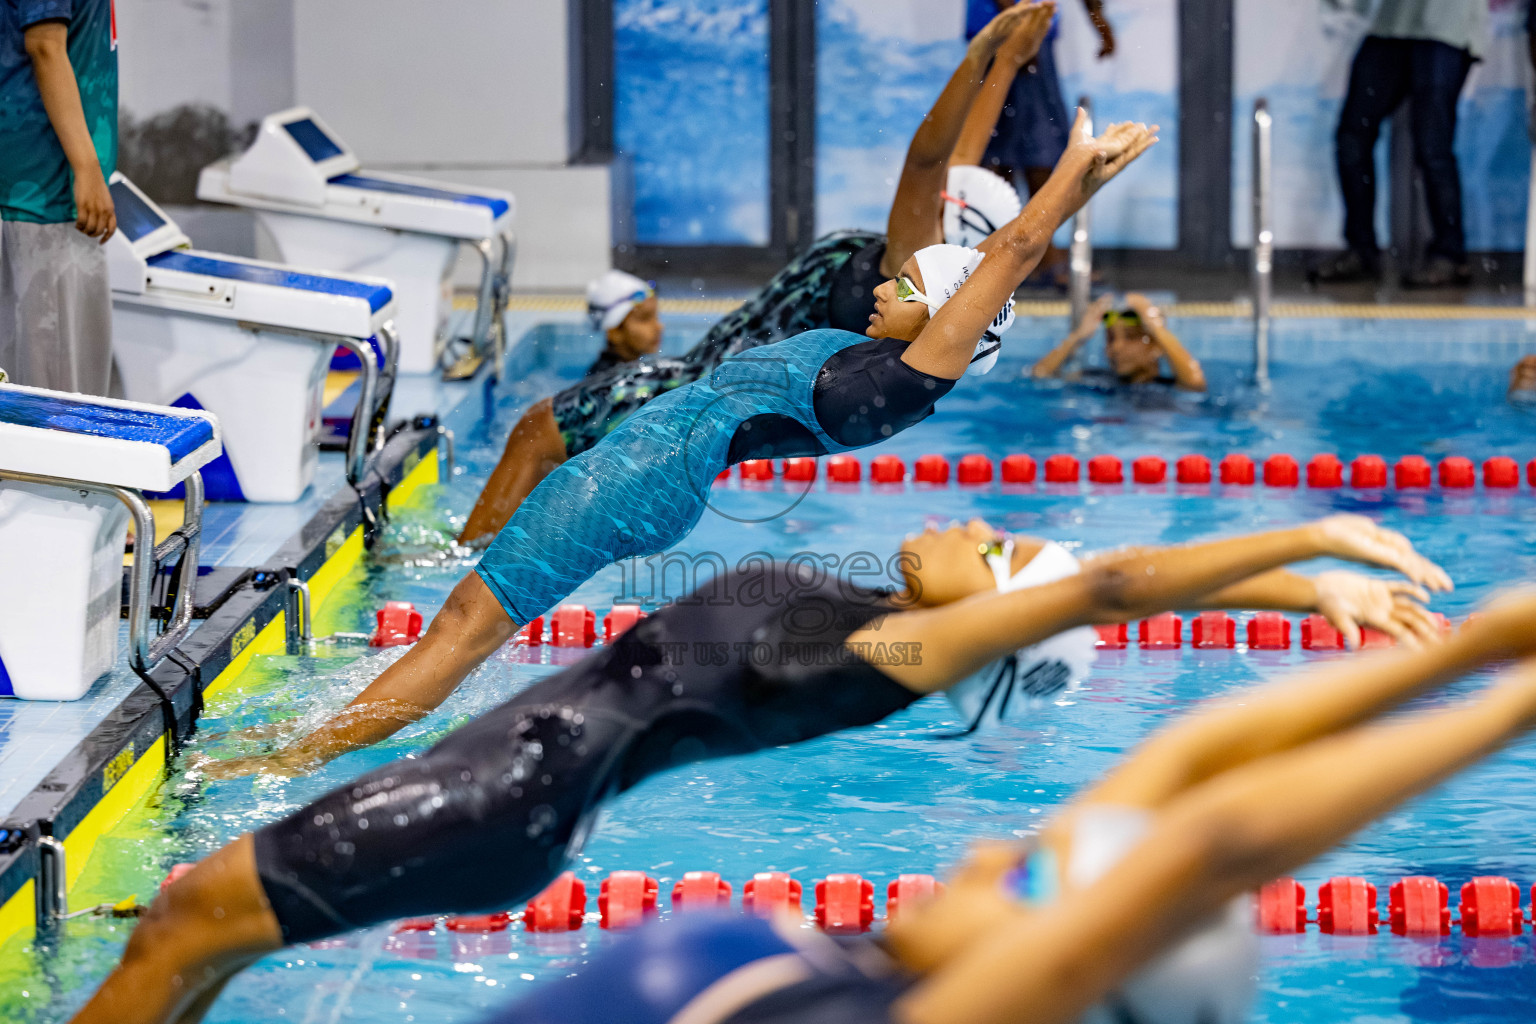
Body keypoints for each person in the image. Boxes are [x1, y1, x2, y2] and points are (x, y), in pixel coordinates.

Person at [70, 512, 1451, 1024]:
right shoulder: (850, 626)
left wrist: (1310, 544)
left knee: (193, 918)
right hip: (516, 787)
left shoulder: (889, 658)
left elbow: (1116, 588)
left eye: (996, 544)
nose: (968, 522)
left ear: (995, 609)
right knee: (204, 939)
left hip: (511, 795)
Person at [190, 114, 1158, 783]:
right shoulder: (891, 363)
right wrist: (1072, 190)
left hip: (640, 475)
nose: (882, 283)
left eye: (910, 286)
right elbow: (977, 254)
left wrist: (1073, 174)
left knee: (462, 631)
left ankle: (281, 764)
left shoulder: (906, 373)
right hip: (648, 470)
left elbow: (1008, 257)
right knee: (468, 624)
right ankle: (310, 738)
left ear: (944, 312)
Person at [477, 586, 1536, 1024]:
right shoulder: (875, 967)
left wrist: (1510, 707)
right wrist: (1479, 646)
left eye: (1030, 877)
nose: (989, 850)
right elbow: (1190, 760)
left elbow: (1216, 846)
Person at [456, 2, 1056, 547]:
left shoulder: (911, 259)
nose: (945, 187)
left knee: (540, 433)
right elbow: (960, 168)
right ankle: (485, 555)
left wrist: (980, 55)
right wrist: (1006, 61)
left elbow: (932, 159)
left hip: (692, 387)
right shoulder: (941, 276)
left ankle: (465, 558)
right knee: (555, 456)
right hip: (710, 387)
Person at [1311, 0, 1485, 288]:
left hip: (1447, 26)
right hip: (1393, 23)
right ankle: (1362, 249)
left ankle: (1450, 255)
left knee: (1433, 147)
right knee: (1353, 135)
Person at [0, 0, 118, 396]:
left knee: (73, 395)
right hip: (38, 190)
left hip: (55, 189)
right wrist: (85, 167)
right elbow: (45, 45)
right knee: (51, 408)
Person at [964, 0, 1115, 288]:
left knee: (1020, 149)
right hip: (1008, 31)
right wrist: (1021, 26)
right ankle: (1023, 254)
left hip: (1029, 33)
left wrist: (1098, 19)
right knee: (1013, 153)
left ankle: (1020, 253)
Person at [1031, 292, 1205, 392]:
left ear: (1156, 345)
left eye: (1129, 337)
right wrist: (1077, 337)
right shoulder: (1098, 381)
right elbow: (1040, 374)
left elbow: (1196, 384)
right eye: (1111, 339)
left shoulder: (1168, 387)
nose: (1115, 348)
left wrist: (1157, 329)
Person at [584, 270, 663, 375]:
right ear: (614, 332)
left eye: (655, 317)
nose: (658, 327)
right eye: (645, 319)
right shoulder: (605, 379)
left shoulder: (627, 371)